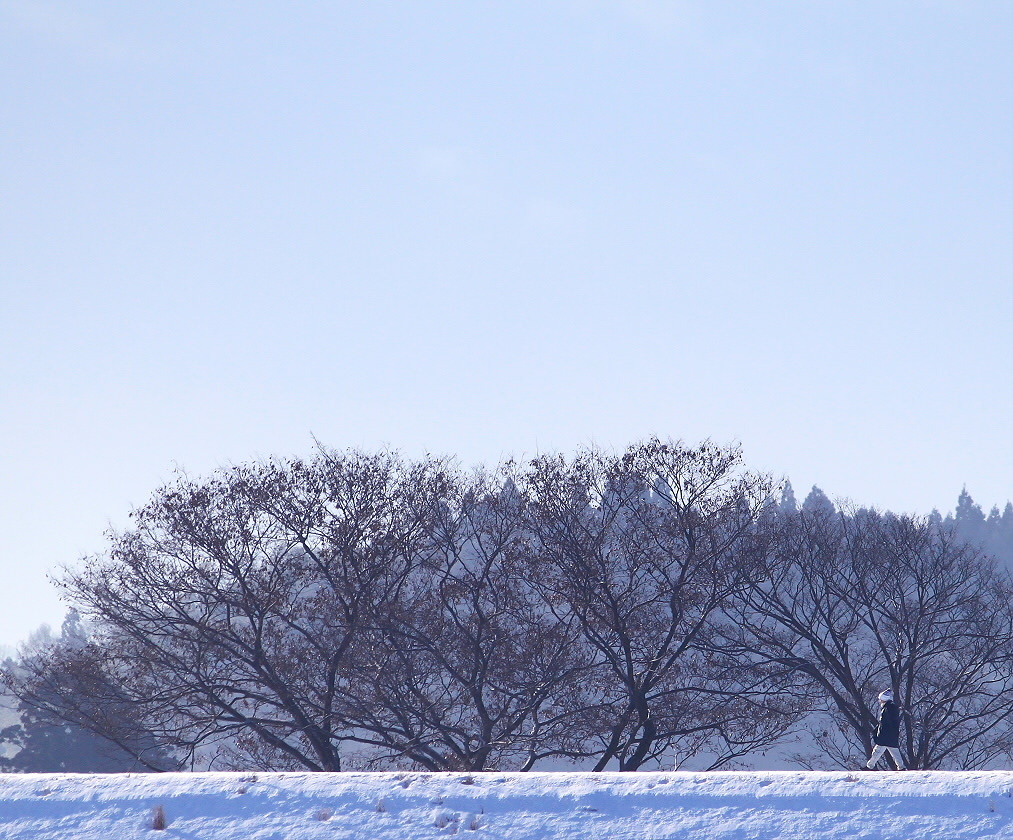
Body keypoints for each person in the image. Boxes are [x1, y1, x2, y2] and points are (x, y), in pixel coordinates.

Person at [865, 689, 906, 770]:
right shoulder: (891, 707)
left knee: (877, 752)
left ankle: (870, 766)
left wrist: (878, 733)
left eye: (880, 699)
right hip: (891, 735)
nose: (879, 701)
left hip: (885, 735)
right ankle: (901, 767)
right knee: (894, 752)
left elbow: (884, 723)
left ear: (883, 699)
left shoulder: (887, 709)